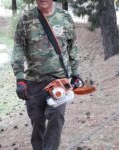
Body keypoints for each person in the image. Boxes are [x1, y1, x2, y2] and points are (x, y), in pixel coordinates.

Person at [11, 0, 80, 149]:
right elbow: (18, 48)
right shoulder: (26, 19)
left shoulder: (65, 17)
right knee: (37, 123)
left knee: (56, 119)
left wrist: (75, 73)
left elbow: (72, 46)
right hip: (33, 82)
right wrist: (19, 78)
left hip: (58, 81)